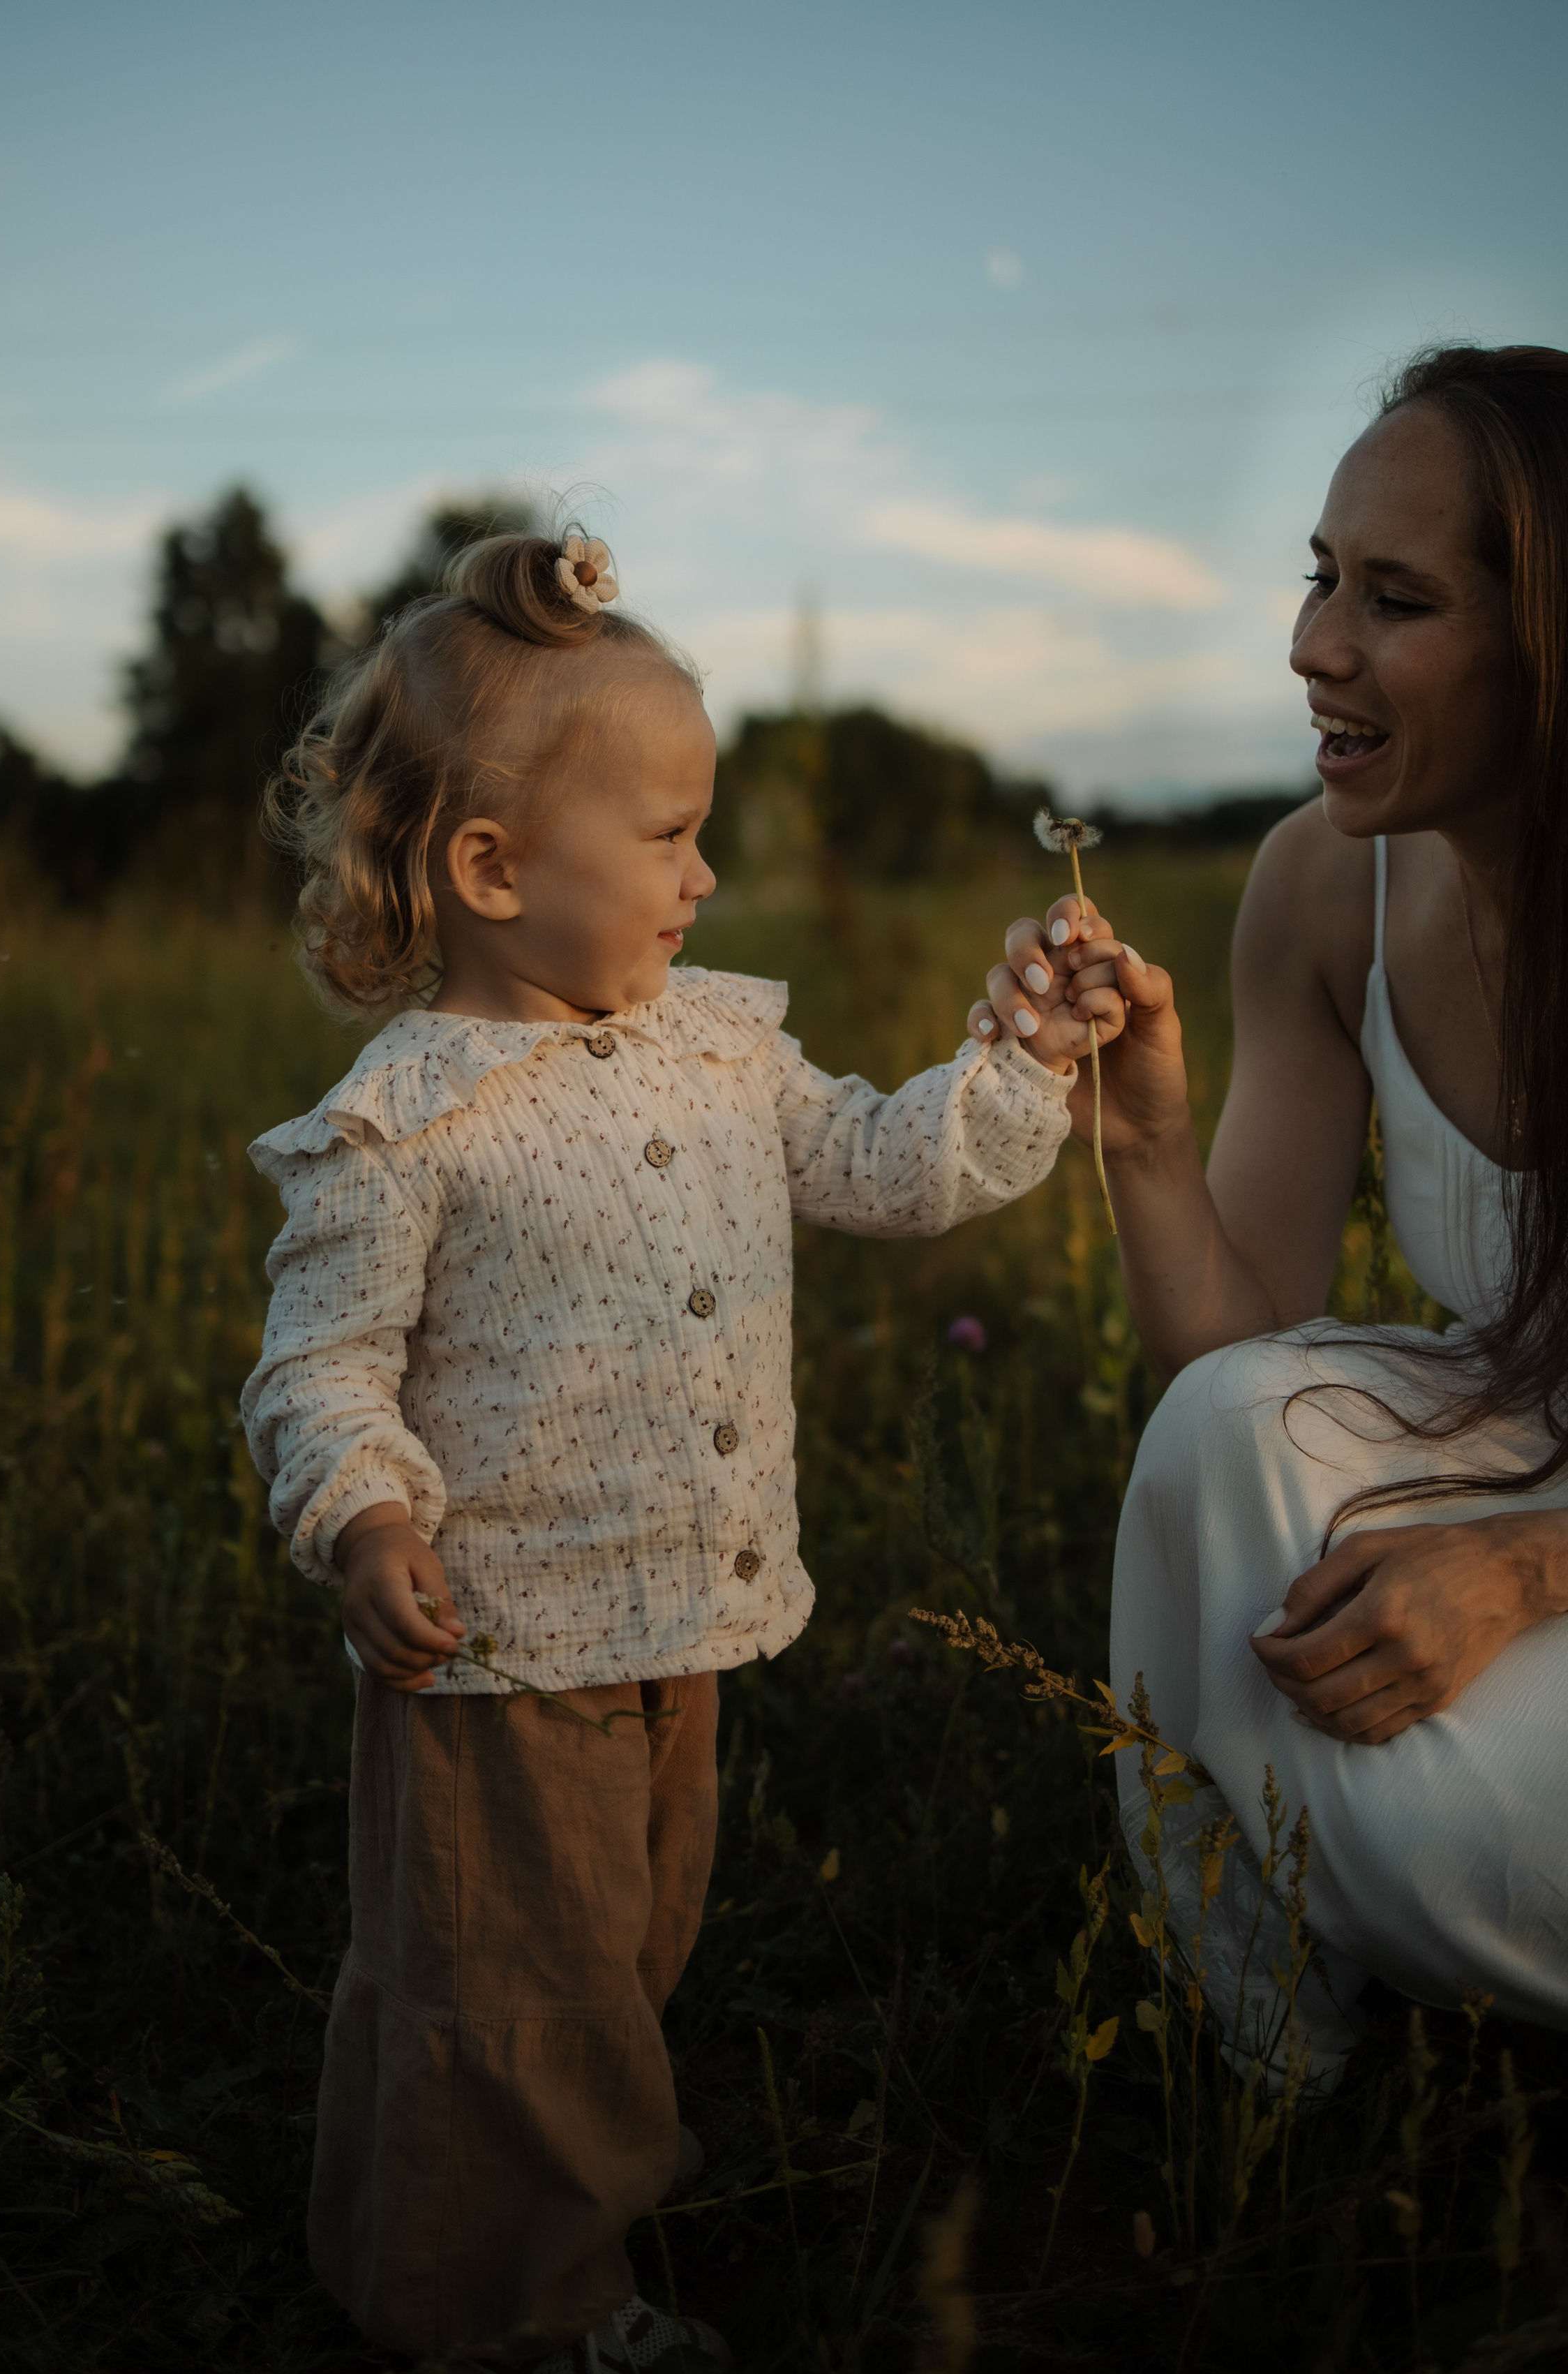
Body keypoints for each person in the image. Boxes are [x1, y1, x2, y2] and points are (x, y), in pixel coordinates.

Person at [240, 528, 1126, 2369]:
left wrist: (1024, 1059)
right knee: (518, 1998)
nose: (704, 876)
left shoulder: (718, 1050)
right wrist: (366, 1517)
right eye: (666, 835)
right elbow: (319, 1364)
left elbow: (881, 1160)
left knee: (614, 1968)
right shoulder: (408, 1122)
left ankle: (425, 2246)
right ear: (492, 867)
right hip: (494, 1650)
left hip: (678, 1627)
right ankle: (544, 2313)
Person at [974, 343, 1568, 2079]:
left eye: (1395, 598)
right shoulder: (1321, 882)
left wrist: (1516, 1570)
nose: (1313, 646)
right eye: (1318, 578)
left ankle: (1401, 1894)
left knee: (1420, 1827)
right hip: (1515, 1445)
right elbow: (1228, 1357)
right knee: (1229, 1427)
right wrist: (1143, 1135)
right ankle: (1278, 2054)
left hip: (1534, 1530)